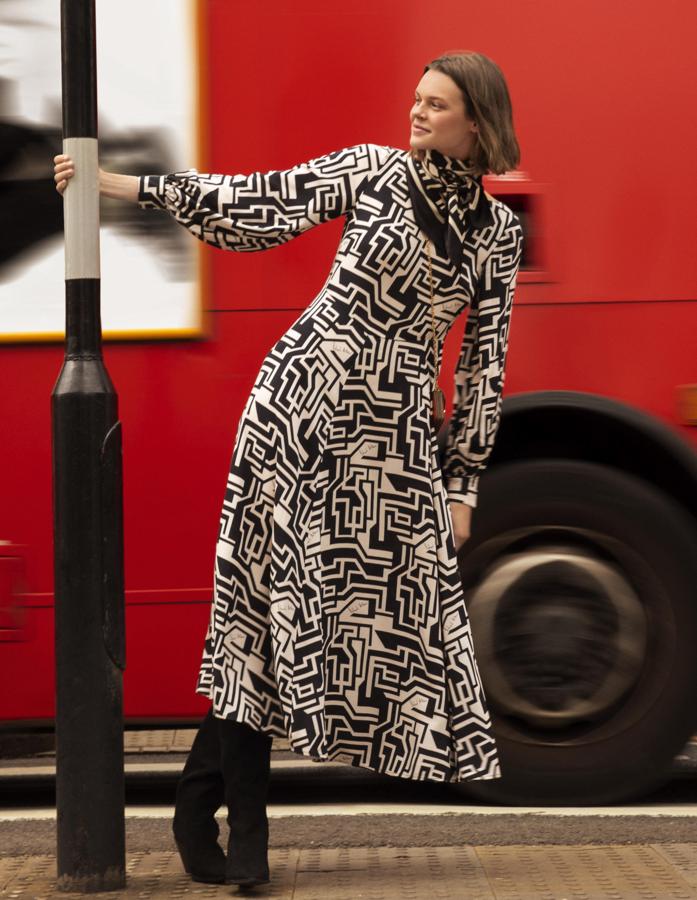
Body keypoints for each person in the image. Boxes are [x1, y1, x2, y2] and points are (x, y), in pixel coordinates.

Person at [54, 50, 524, 888]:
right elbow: (257, 205)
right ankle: (250, 836)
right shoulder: (372, 172)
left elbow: (485, 367)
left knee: (323, 623)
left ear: (477, 124)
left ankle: (197, 798)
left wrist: (463, 485)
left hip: (390, 443)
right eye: (415, 99)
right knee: (260, 606)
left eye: (436, 104)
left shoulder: (498, 234)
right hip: (299, 408)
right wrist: (122, 185)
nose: (415, 113)